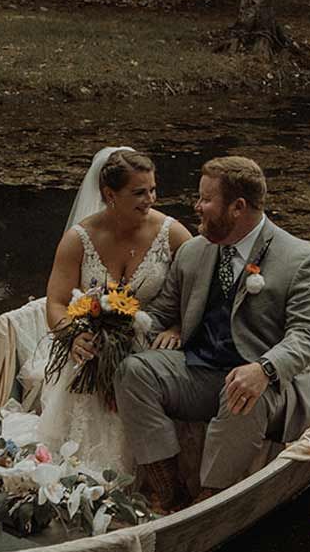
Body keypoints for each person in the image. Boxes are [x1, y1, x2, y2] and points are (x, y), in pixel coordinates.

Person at [113, 155, 310, 511]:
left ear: (238, 207)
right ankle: (169, 493)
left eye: (206, 199)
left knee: (243, 392)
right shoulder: (193, 252)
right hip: (200, 370)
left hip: (267, 385)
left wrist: (264, 369)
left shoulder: (301, 259)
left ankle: (209, 500)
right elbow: (160, 312)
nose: (197, 207)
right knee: (133, 372)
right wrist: (110, 326)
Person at [34, 147, 192, 469]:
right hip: (94, 349)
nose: (150, 199)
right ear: (110, 194)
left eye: (152, 190)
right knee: (85, 384)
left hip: (154, 350)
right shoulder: (78, 239)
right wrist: (74, 336)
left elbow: (200, 295)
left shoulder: (173, 234)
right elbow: (56, 303)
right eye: (139, 192)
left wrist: (177, 328)